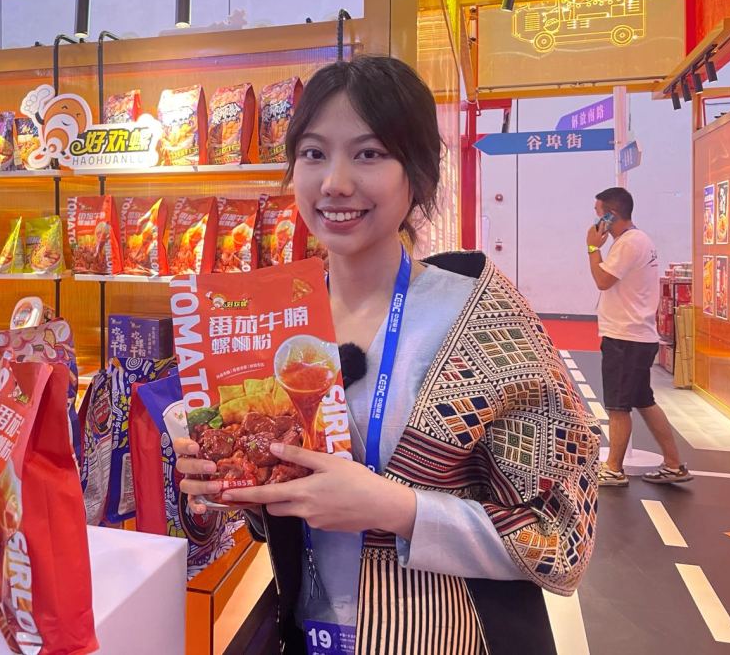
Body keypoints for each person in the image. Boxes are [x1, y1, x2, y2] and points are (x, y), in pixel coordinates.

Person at [175, 56, 600, 655]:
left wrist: (399, 509)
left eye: (369, 153)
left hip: (448, 637)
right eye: (313, 153)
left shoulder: (483, 321)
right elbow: (277, 512)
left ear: (417, 174)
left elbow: (562, 537)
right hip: (303, 631)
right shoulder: (278, 321)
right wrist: (221, 487)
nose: (334, 182)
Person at [586, 187, 691, 487]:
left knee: (618, 406)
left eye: (599, 214)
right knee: (644, 400)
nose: (595, 221)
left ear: (611, 215)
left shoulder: (629, 244)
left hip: (626, 337)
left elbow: (603, 280)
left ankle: (613, 469)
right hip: (637, 335)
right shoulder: (637, 240)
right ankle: (673, 464)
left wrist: (592, 248)